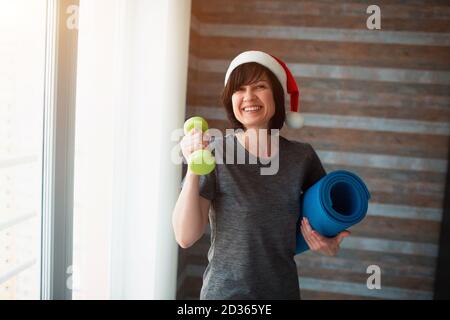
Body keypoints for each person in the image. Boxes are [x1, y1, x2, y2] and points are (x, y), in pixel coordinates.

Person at [172, 51, 350, 300]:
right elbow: (185, 236)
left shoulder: (302, 157)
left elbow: (321, 218)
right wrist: (193, 166)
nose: (248, 97)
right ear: (230, 99)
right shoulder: (216, 151)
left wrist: (329, 244)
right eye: (239, 89)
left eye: (260, 86)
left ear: (276, 95)